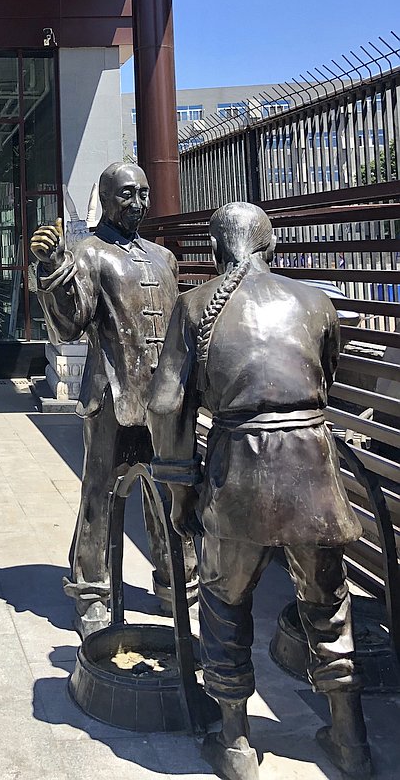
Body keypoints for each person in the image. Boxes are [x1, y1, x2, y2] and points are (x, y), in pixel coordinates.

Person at [148, 202, 370, 780]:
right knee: (329, 605)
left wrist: (181, 494)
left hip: (238, 477)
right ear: (271, 246)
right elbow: (326, 376)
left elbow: (166, 405)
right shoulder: (316, 301)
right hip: (313, 473)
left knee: (224, 602)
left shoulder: (194, 304)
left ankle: (236, 744)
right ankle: (351, 741)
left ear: (217, 250)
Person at [30, 161, 197, 639]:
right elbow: (70, 325)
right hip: (112, 397)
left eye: (143, 193)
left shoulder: (163, 258)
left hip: (164, 402)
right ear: (105, 198)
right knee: (100, 495)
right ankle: (91, 592)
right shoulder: (88, 253)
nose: (138, 202)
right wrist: (53, 268)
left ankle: (177, 582)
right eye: (127, 193)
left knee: (169, 491)